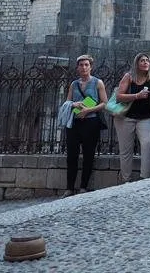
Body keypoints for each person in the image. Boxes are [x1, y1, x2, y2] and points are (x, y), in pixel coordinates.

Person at [113, 53, 150, 183]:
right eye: (142, 60)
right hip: (126, 118)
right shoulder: (129, 76)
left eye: (147, 60)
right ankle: (126, 180)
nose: (145, 63)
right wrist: (137, 95)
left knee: (148, 144)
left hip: (145, 118)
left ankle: (144, 179)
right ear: (136, 63)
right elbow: (119, 96)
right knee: (126, 150)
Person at [63, 54, 108, 197]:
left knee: (88, 155)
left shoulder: (98, 83)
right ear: (77, 68)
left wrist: (89, 110)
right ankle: (69, 187)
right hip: (74, 122)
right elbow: (67, 102)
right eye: (81, 65)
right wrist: (74, 104)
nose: (83, 67)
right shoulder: (74, 84)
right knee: (72, 155)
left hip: (91, 122)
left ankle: (83, 186)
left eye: (86, 65)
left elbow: (104, 103)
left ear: (91, 67)